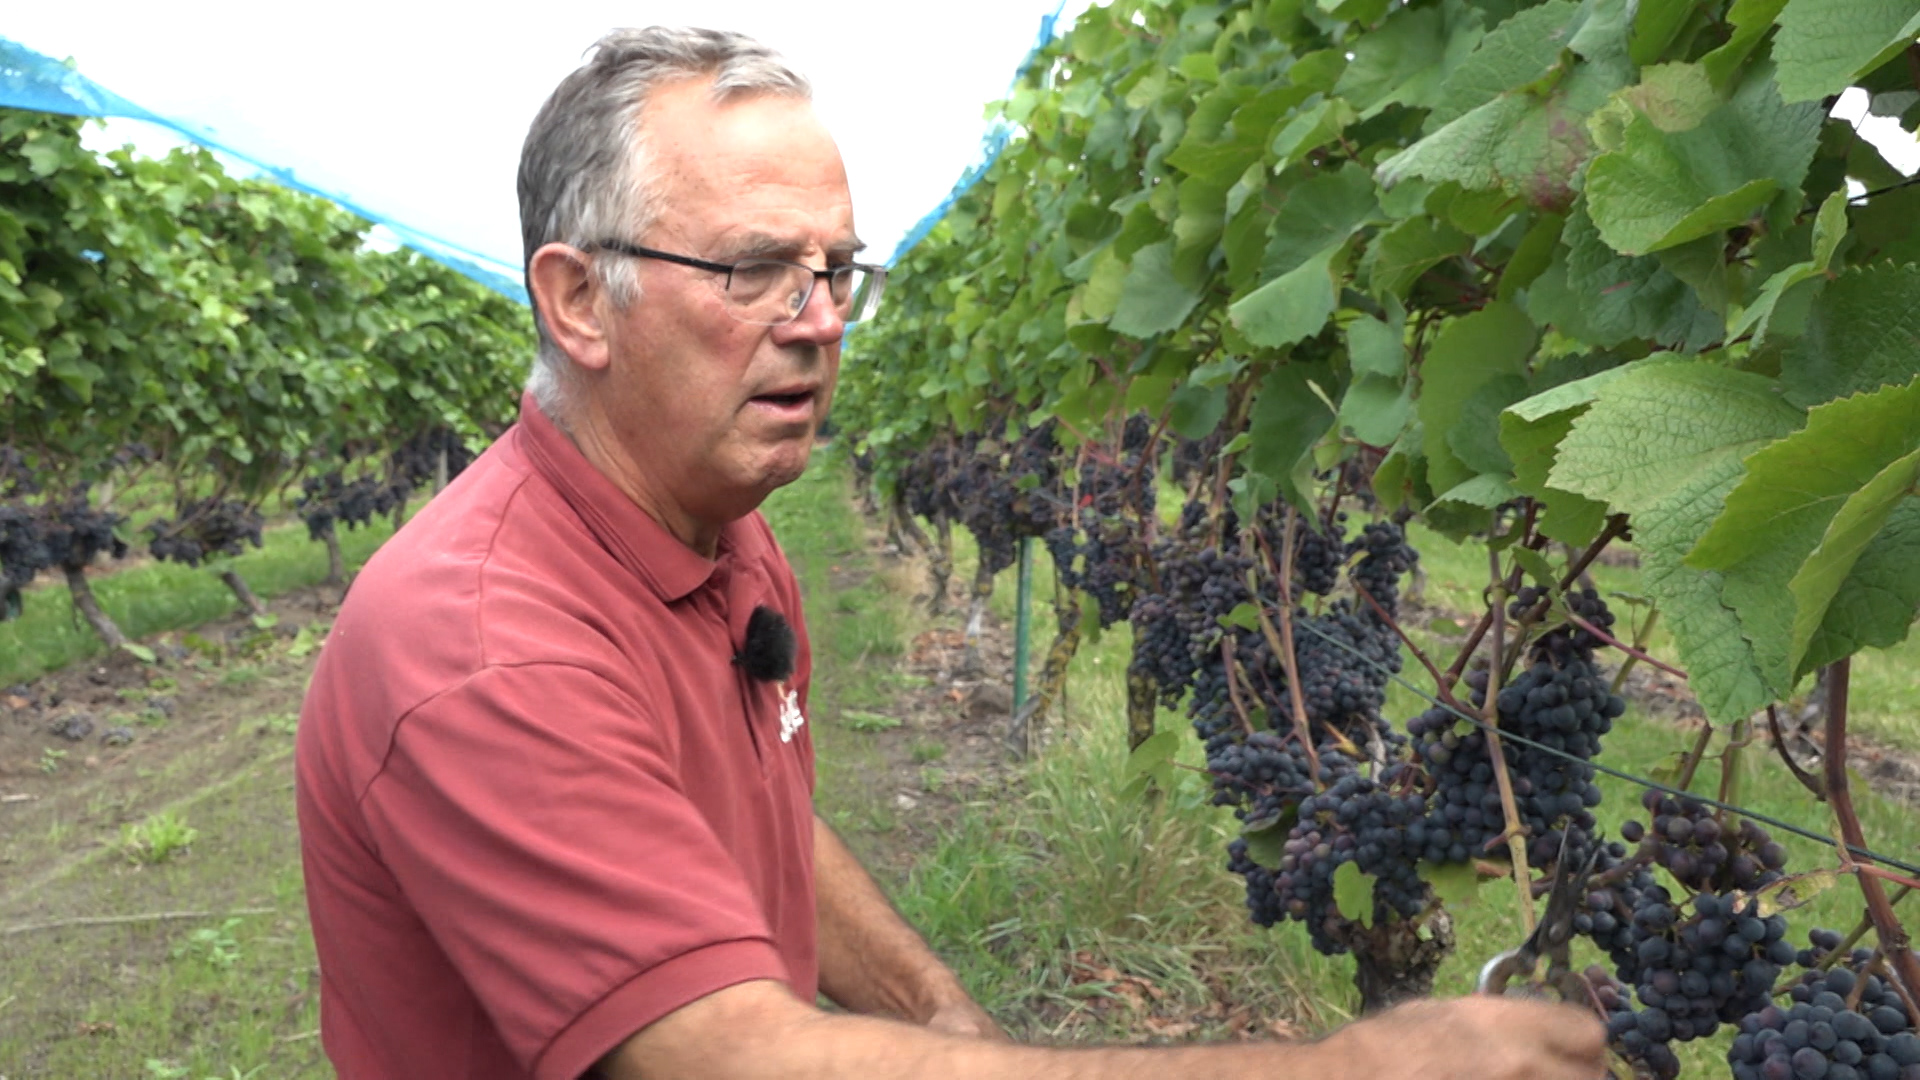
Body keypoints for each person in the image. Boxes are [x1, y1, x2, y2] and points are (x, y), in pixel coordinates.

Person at [294, 25, 1609, 1080]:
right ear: (580, 298)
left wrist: (937, 1009)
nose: (817, 325)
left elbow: (766, 824)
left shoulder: (728, 536)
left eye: (837, 274)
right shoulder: (479, 642)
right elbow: (728, 1050)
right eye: (755, 271)